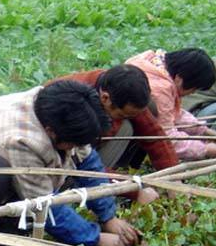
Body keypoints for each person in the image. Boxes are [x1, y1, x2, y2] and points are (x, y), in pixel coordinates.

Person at [0, 80, 141, 246]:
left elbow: (88, 163)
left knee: (25, 174)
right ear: (50, 131)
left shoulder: (63, 110)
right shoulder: (21, 140)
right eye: (72, 144)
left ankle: (8, 229)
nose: (75, 148)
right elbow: (42, 203)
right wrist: (94, 237)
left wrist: (108, 216)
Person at [51, 64, 179, 203]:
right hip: (58, 160)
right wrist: (133, 190)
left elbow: (153, 134)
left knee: (142, 116)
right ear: (105, 98)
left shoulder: (120, 90)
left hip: (86, 149)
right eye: (122, 114)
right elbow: (81, 165)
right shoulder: (75, 106)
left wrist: (173, 177)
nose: (124, 117)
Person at [126, 48, 216, 160]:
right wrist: (204, 149)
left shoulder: (152, 62)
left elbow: (171, 112)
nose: (192, 92)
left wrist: (203, 130)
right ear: (179, 79)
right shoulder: (160, 90)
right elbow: (167, 138)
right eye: (194, 88)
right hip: (123, 135)